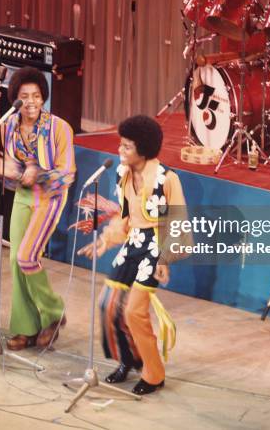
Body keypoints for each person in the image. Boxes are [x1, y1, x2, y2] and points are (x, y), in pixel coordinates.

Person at [78, 115, 188, 395]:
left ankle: (154, 373)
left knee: (134, 311)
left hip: (155, 247)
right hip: (133, 243)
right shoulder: (122, 173)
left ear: (143, 149)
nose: (120, 151)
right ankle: (128, 359)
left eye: (127, 147)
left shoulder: (167, 179)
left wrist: (164, 259)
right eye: (121, 145)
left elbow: (178, 223)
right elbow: (125, 217)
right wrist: (106, 241)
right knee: (108, 305)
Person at [0, 66, 75, 350]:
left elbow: (67, 174)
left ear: (44, 97)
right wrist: (11, 171)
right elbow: (13, 168)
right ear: (15, 99)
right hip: (23, 196)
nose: (31, 102)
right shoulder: (7, 127)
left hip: (50, 196)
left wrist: (33, 173)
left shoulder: (60, 128)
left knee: (27, 257)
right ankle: (26, 328)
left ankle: (53, 312)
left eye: (36, 96)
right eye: (24, 96)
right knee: (15, 261)